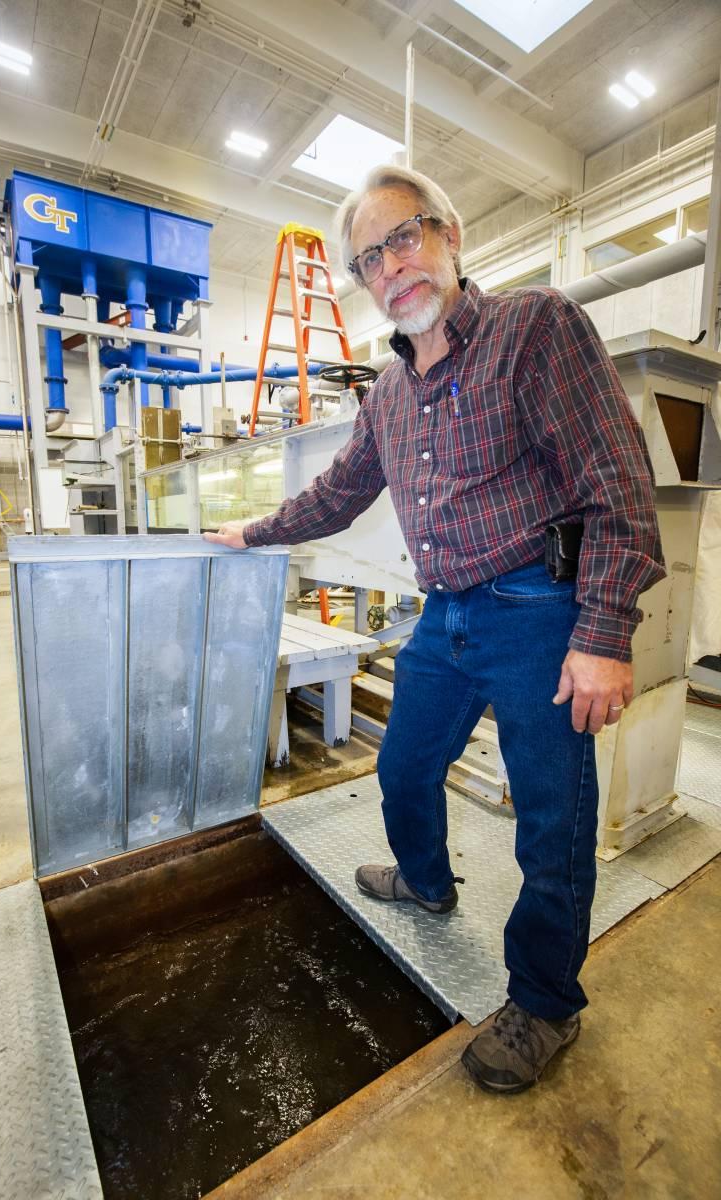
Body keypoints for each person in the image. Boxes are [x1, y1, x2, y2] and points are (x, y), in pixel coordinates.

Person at [205, 165, 666, 1094]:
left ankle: (544, 1003)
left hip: (540, 611)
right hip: (444, 613)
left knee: (553, 819)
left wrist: (604, 633)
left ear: (450, 234)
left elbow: (617, 483)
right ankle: (427, 877)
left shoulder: (535, 328)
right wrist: (251, 530)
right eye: (370, 257)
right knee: (403, 764)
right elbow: (338, 495)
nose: (391, 265)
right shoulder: (388, 392)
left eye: (404, 236)